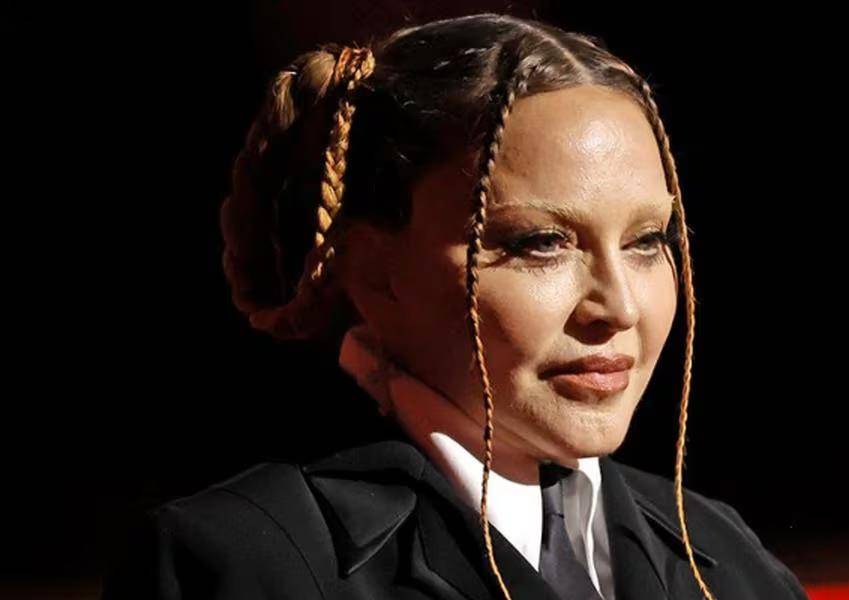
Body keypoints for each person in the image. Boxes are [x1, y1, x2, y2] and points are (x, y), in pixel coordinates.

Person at [102, 13, 808, 600]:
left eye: (648, 241)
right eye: (541, 244)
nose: (619, 307)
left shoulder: (726, 556)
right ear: (375, 270)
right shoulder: (240, 566)